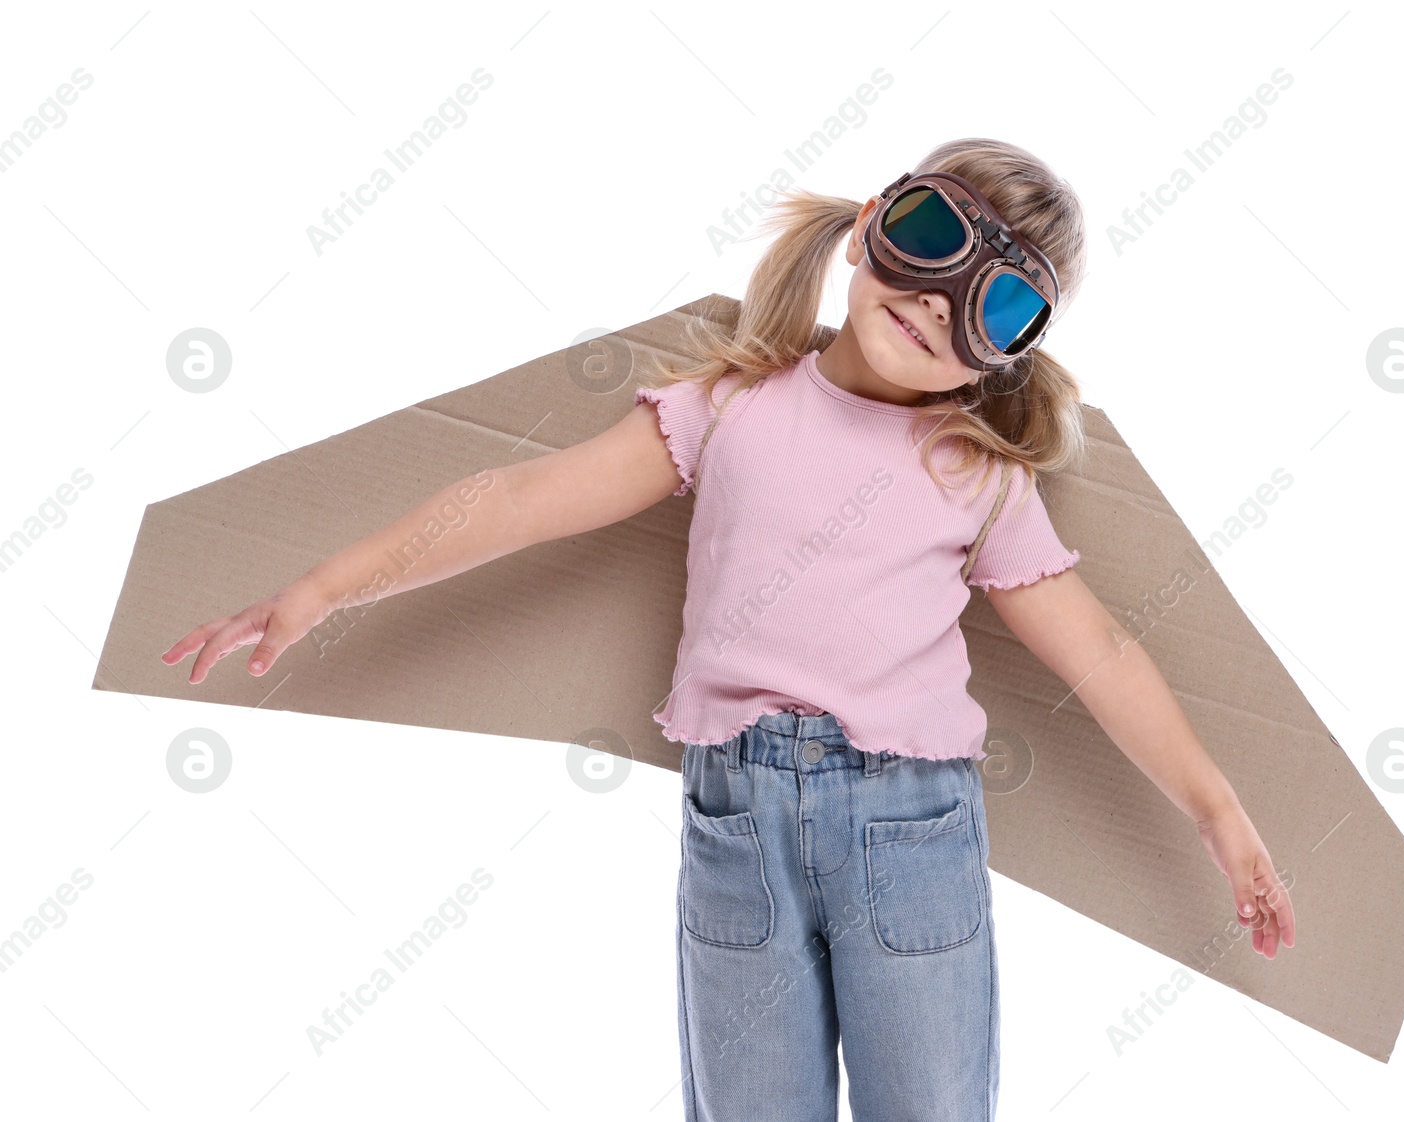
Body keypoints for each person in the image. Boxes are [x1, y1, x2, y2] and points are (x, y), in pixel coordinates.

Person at [161, 136, 1295, 1122]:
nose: (939, 301)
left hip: (911, 832)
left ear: (1009, 348)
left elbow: (1098, 650)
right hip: (735, 820)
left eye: (997, 303)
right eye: (932, 234)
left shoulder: (977, 474)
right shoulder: (728, 407)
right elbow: (514, 502)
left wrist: (1221, 813)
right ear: (867, 232)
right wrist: (320, 589)